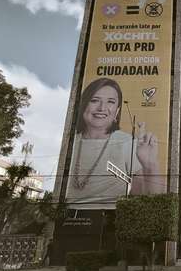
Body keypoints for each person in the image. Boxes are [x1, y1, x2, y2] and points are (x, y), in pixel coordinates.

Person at [66, 78, 162, 208]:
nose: (102, 108)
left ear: (117, 111)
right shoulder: (71, 143)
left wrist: (151, 166)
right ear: (84, 105)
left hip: (112, 220)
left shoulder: (128, 143)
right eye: (94, 100)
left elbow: (148, 203)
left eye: (110, 102)